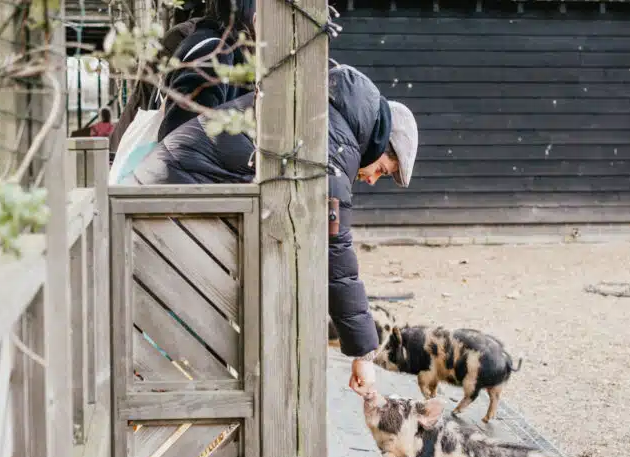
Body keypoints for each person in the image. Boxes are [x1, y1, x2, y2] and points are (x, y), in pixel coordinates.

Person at [130, 61, 419, 392]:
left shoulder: (327, 114)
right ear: (381, 143)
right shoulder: (334, 145)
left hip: (166, 186)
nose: (371, 179)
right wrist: (364, 354)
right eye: (381, 169)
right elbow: (335, 250)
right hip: (170, 197)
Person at [109, 0, 255, 152]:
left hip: (140, 151)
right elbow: (182, 142)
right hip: (158, 161)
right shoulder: (210, 50)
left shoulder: (208, 43)